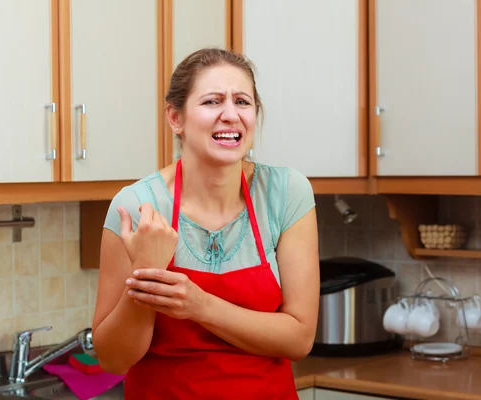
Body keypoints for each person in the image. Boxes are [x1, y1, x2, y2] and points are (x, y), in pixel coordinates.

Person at [91, 47, 320, 399]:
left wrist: (200, 306)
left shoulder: (286, 194)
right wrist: (146, 272)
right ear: (175, 118)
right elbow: (113, 359)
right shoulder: (138, 207)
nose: (231, 114)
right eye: (213, 101)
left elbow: (299, 338)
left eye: (242, 102)